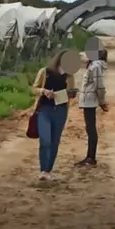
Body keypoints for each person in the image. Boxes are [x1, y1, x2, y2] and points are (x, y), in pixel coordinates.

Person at [32, 49, 77, 180]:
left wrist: (69, 93)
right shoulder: (44, 72)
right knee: (45, 139)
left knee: (55, 141)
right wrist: (43, 91)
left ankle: (48, 169)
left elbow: (71, 94)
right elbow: (34, 88)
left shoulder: (69, 76)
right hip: (44, 109)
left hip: (60, 110)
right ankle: (43, 169)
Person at [77, 49, 108, 166]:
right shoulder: (94, 65)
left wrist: (102, 101)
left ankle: (91, 157)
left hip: (90, 100)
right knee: (89, 128)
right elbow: (82, 57)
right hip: (88, 100)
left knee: (91, 129)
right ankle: (90, 156)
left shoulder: (95, 66)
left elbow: (99, 86)